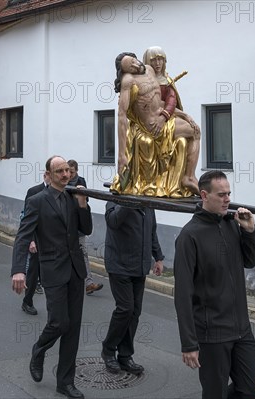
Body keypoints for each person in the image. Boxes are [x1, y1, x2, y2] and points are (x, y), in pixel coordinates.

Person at [174, 170, 255, 399]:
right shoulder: (189, 236)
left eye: (229, 193)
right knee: (215, 393)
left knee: (252, 388)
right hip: (211, 334)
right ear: (204, 195)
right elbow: (182, 294)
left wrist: (250, 231)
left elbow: (249, 260)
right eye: (221, 194)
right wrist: (189, 344)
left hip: (242, 329)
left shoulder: (231, 224)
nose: (227, 199)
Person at [11, 155, 92, 399]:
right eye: (59, 171)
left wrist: (82, 203)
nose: (65, 175)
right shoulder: (37, 200)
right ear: (49, 174)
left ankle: (65, 382)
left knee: (73, 328)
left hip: (76, 270)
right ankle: (39, 349)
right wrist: (19, 270)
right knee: (59, 322)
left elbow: (85, 229)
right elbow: (23, 236)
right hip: (52, 269)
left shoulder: (72, 197)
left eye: (67, 170)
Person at [110, 52, 200, 198]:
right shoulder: (128, 81)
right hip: (153, 127)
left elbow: (160, 102)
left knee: (195, 130)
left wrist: (185, 115)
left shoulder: (149, 70)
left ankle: (188, 176)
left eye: (134, 60)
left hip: (164, 119)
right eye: (130, 67)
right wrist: (121, 155)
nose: (135, 65)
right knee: (195, 133)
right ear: (125, 71)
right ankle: (188, 178)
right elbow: (121, 116)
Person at [101, 202, 164, 375]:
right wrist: (128, 201)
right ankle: (108, 349)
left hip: (139, 266)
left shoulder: (148, 204)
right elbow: (113, 221)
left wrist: (158, 257)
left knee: (135, 312)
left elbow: (152, 231)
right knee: (125, 309)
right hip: (119, 265)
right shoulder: (115, 200)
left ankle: (125, 355)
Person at [67, 159, 103, 295]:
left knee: (83, 254)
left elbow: (84, 201)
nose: (68, 175)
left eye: (71, 172)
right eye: (67, 171)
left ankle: (88, 283)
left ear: (76, 171)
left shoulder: (80, 181)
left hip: (79, 226)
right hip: (66, 226)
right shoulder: (63, 182)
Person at [20, 172, 50, 316]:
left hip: (53, 241)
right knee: (33, 272)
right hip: (37, 239)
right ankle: (27, 301)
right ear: (46, 175)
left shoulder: (62, 192)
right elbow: (27, 218)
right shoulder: (34, 192)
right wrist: (30, 240)